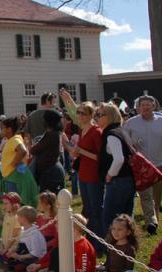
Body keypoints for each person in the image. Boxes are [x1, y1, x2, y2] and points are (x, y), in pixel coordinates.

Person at [124, 95, 162, 235]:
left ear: (154, 106)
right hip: (141, 165)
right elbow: (124, 140)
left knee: (156, 195)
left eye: (149, 104)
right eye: (143, 105)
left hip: (159, 162)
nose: (146, 107)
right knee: (145, 195)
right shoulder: (131, 123)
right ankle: (151, 222)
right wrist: (131, 145)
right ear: (138, 107)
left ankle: (155, 218)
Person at [61, 99, 105, 250]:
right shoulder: (82, 131)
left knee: (95, 209)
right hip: (83, 174)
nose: (80, 116)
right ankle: (90, 239)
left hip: (93, 175)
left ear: (91, 115)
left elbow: (101, 157)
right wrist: (68, 145)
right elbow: (77, 151)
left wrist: (82, 152)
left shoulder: (96, 132)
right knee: (87, 208)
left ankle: (98, 243)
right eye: (78, 113)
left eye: (83, 113)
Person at [97, 102, 136, 236]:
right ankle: (127, 249)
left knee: (112, 220)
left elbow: (119, 159)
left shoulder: (112, 134)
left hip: (118, 181)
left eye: (100, 115)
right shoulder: (121, 131)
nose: (97, 117)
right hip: (127, 180)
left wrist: (109, 175)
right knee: (126, 219)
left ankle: (113, 251)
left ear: (109, 117)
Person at [30, 110, 65, 193]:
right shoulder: (52, 133)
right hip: (49, 171)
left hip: (51, 172)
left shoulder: (52, 135)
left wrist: (33, 146)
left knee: (50, 201)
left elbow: (34, 149)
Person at [5, 206, 46, 271]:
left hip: (35, 259)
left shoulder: (34, 234)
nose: (17, 219)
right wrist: (13, 250)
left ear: (24, 219)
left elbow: (36, 253)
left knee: (18, 267)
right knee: (9, 260)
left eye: (18, 217)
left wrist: (19, 257)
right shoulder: (23, 230)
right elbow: (21, 244)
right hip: (24, 255)